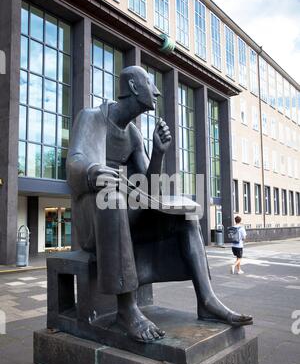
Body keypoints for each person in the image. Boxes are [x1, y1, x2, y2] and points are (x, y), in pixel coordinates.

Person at [67, 66, 253, 343]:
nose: (155, 90)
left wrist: (158, 153)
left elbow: (148, 185)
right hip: (92, 218)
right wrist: (94, 172)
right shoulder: (92, 117)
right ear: (132, 87)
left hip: (121, 212)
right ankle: (127, 309)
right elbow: (75, 160)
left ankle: (207, 300)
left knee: (185, 214)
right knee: (113, 199)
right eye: (150, 83)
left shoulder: (133, 135)